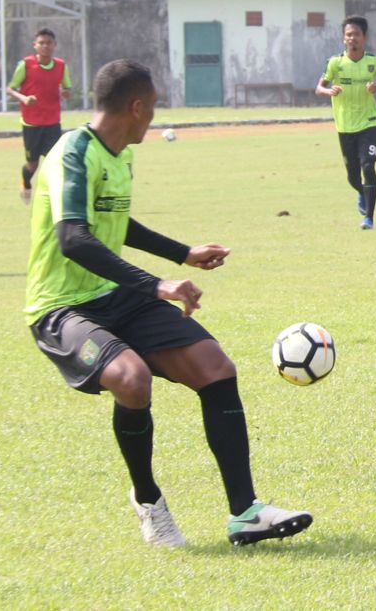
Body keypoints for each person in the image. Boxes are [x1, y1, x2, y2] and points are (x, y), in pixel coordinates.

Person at [25, 59, 313, 548]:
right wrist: (158, 283)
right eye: (153, 108)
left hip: (113, 293)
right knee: (131, 379)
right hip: (61, 307)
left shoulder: (119, 155)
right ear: (136, 107)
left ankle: (246, 512)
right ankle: (148, 500)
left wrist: (185, 254)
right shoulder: (73, 152)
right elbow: (74, 238)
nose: (154, 118)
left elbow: (118, 222)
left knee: (215, 366)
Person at [316, 16, 376, 229]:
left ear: (364, 37)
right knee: (352, 176)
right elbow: (319, 87)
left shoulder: (374, 62)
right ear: (343, 38)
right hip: (345, 125)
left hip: (368, 122)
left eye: (356, 34)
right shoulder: (335, 63)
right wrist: (328, 90)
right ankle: (361, 191)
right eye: (349, 35)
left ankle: (369, 217)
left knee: (368, 166)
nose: (352, 38)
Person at [7, 28, 72, 203]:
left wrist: (66, 93)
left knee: (55, 161)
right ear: (35, 45)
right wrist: (24, 98)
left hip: (52, 122)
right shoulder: (26, 65)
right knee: (32, 164)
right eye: (41, 43)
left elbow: (67, 88)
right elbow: (10, 88)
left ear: (55, 45)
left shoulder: (61, 66)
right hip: (31, 124)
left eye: (49, 43)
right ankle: (26, 182)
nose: (45, 46)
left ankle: (54, 195)